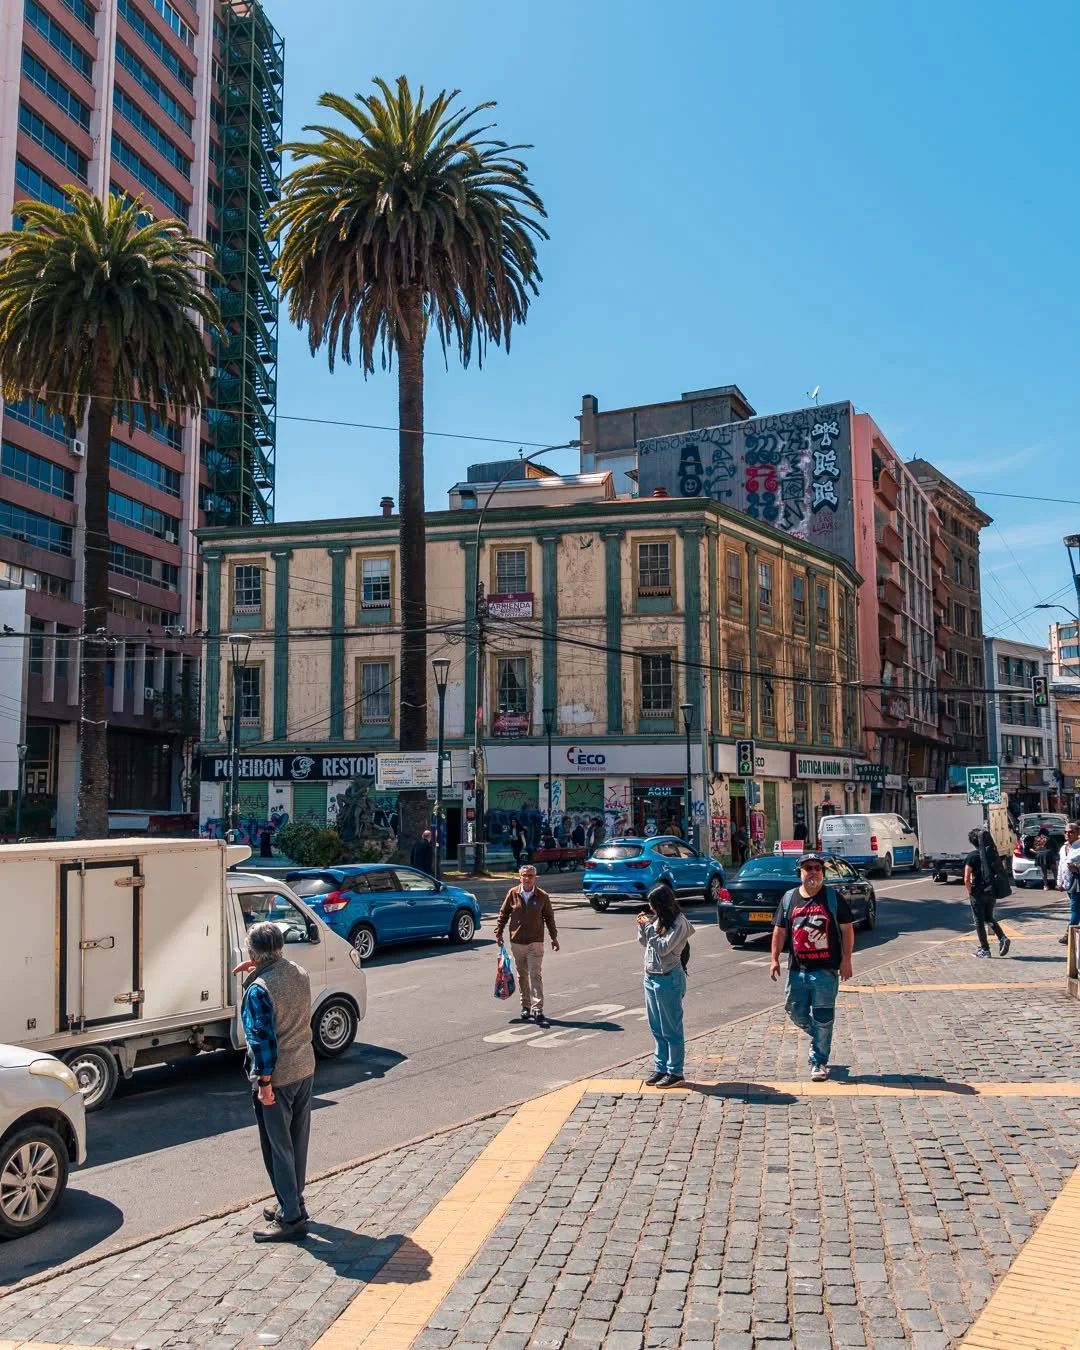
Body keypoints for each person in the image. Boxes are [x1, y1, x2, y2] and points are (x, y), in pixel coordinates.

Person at [236, 922, 316, 1243]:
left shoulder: (259, 990)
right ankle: (292, 1199)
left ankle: (291, 1218)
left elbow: (261, 1040)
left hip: (277, 1078)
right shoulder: (298, 971)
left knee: (277, 1147)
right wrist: (257, 969)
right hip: (305, 1068)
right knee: (297, 1141)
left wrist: (264, 1083)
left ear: (253, 952)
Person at [769, 852, 855, 1082]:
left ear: (822, 872)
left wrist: (846, 959)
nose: (813, 871)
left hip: (826, 972)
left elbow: (847, 929)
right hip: (797, 970)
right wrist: (774, 959)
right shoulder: (789, 899)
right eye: (808, 867)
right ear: (801, 872)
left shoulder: (833, 898)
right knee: (794, 1011)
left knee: (824, 1016)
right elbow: (779, 930)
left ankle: (819, 1061)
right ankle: (819, 1035)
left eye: (818, 867)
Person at [637, 881, 694, 1087]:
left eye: (654, 905)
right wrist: (643, 927)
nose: (651, 909)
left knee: (671, 1029)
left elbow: (662, 948)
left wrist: (648, 928)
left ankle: (675, 1071)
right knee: (657, 1028)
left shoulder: (680, 923)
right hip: (651, 977)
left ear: (663, 904)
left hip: (669, 978)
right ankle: (660, 1068)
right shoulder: (660, 919)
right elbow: (646, 943)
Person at [494, 864, 560, 1027]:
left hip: (535, 941)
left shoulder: (542, 896)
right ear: (520, 877)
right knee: (522, 975)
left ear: (535, 878)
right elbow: (503, 914)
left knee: (535, 974)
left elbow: (549, 918)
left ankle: (537, 1009)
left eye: (531, 875)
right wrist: (498, 932)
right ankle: (526, 1006)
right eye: (525, 875)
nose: (528, 878)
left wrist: (554, 937)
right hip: (517, 941)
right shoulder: (513, 893)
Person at [964, 827, 1010, 958]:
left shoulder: (972, 856)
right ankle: (1002, 938)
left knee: (978, 921)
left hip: (977, 892)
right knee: (989, 917)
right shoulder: (990, 854)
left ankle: (985, 949)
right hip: (991, 891)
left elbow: (967, 878)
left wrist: (970, 891)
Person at [1056, 820, 1080, 945]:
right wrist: (1059, 882)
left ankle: (1068, 934)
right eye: (1066, 832)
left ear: (1077, 833)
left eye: (1071, 832)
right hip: (1068, 883)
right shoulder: (1063, 847)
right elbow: (1060, 865)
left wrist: (1076, 866)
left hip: (1078, 883)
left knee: (1075, 908)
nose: (1068, 834)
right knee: (1076, 908)